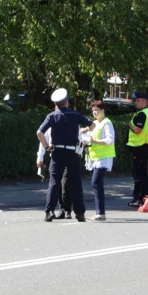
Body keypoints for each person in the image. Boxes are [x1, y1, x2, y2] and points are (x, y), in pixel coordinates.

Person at [38, 88, 92, 222]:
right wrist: (83, 130)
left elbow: (39, 133)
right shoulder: (75, 114)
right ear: (66, 101)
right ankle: (80, 213)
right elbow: (92, 125)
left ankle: (49, 212)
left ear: (56, 104)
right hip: (73, 152)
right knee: (75, 182)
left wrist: (46, 146)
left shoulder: (52, 116)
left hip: (57, 152)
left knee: (54, 182)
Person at [82, 100, 115, 221]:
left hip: (103, 158)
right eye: (93, 110)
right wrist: (85, 138)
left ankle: (100, 213)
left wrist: (94, 141)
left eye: (97, 110)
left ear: (103, 110)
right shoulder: (94, 123)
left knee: (96, 183)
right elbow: (89, 134)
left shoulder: (107, 123)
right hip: (93, 158)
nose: (95, 112)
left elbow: (110, 140)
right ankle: (100, 213)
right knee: (96, 184)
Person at [127, 90, 148, 207]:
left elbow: (138, 130)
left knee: (138, 174)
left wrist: (130, 125)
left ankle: (138, 198)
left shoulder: (142, 114)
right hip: (145, 146)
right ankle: (143, 197)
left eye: (138, 100)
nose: (136, 102)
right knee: (142, 173)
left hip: (140, 147)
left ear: (144, 101)